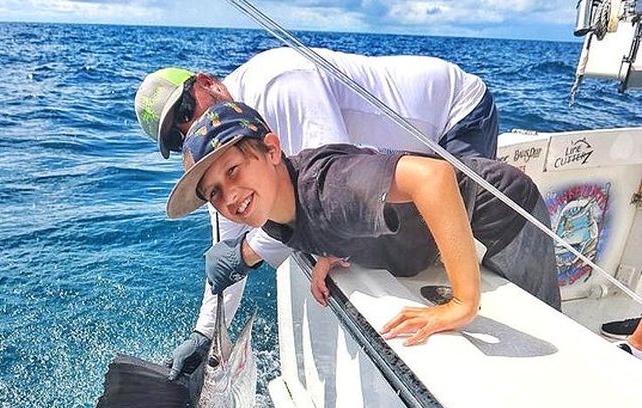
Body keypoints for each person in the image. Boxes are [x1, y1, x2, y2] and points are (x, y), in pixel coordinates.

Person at [135, 47, 500, 377]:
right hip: (395, 160)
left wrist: (323, 244)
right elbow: (230, 244)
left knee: (461, 232)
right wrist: (205, 334)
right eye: (176, 138)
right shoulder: (218, 152)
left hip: (453, 115)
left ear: (207, 82)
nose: (189, 126)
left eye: (185, 110)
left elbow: (332, 174)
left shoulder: (278, 84)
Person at [165, 101, 560, 346]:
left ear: (272, 149)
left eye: (233, 170)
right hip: (446, 232)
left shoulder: (328, 186)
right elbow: (308, 220)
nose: (229, 196)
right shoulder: (273, 215)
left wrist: (463, 304)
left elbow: (434, 178)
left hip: (500, 211)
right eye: (214, 192)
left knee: (550, 334)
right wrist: (328, 250)